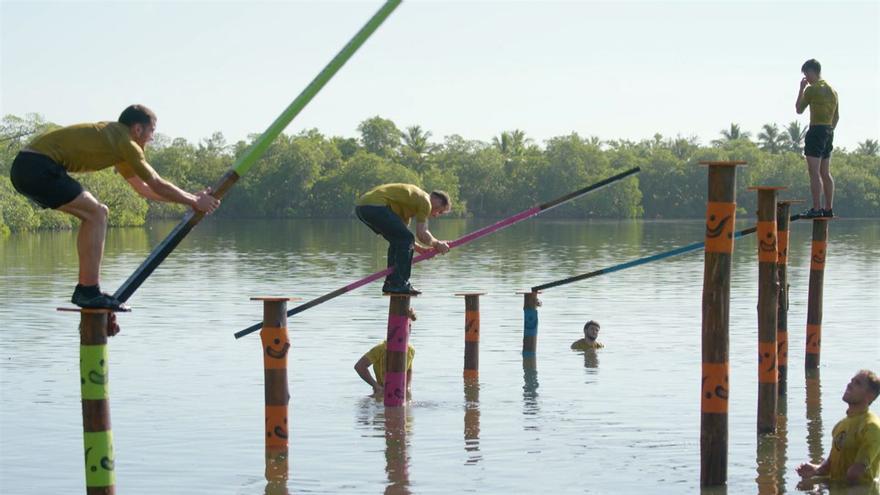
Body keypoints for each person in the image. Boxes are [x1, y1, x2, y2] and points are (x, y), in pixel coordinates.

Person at [9, 105, 220, 310]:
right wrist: (194, 201)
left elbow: (144, 189)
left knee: (94, 214)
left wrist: (191, 198)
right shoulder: (127, 143)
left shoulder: (117, 145)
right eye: (152, 131)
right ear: (138, 129)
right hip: (36, 165)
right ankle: (88, 291)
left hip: (26, 167)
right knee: (97, 213)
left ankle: (87, 289)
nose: (152, 138)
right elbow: (156, 182)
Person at [355, 183, 452, 294]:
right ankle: (399, 283)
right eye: (439, 210)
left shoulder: (408, 208)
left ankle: (391, 283)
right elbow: (422, 234)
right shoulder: (426, 201)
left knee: (397, 240)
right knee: (404, 238)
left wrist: (420, 249)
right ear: (435, 199)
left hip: (362, 208)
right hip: (376, 206)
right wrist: (437, 244)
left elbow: (405, 240)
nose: (436, 215)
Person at [796, 369, 880, 485]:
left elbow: (855, 474)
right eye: (852, 381)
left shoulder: (871, 426)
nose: (849, 385)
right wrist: (816, 470)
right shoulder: (840, 425)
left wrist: (825, 484)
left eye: (857, 383)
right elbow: (831, 464)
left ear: (870, 396)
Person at [795, 58, 839, 219]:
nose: (806, 77)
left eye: (806, 73)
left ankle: (816, 208)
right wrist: (828, 131)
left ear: (811, 71)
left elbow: (799, 109)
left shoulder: (812, 89)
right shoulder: (833, 91)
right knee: (825, 173)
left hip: (816, 130)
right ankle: (828, 209)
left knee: (814, 172)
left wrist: (801, 89)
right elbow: (837, 117)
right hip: (828, 131)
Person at [354, 307, 417, 398]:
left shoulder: (410, 350)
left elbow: (409, 370)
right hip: (382, 394)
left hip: (399, 395)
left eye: (409, 327)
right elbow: (359, 366)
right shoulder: (381, 348)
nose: (406, 331)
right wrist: (376, 386)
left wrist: (407, 388)